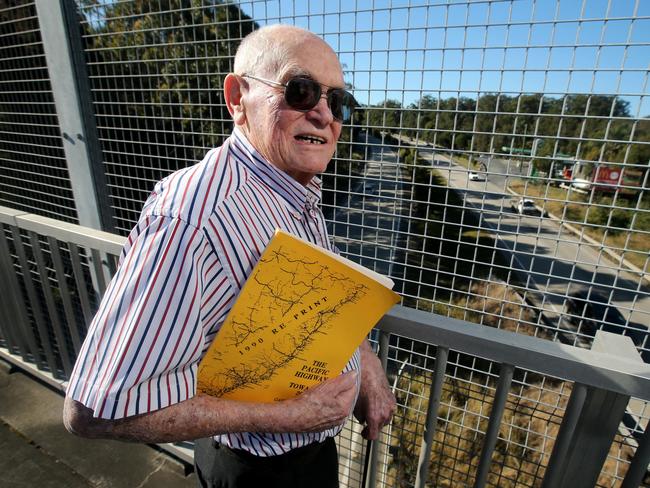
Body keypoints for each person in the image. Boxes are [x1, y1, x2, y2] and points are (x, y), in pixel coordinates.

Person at [63, 24, 396, 487]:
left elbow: (325, 296)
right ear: (237, 98)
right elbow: (94, 410)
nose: (324, 113)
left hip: (311, 451)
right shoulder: (193, 216)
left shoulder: (294, 187)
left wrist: (369, 366)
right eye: (300, 91)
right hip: (258, 470)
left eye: (338, 101)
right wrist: (294, 416)